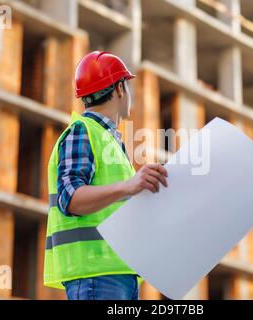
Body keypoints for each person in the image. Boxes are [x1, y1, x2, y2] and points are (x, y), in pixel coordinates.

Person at [43, 51, 168, 300]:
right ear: (120, 88)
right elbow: (71, 199)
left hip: (117, 274)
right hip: (95, 276)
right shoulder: (82, 132)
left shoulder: (108, 141)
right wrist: (128, 186)